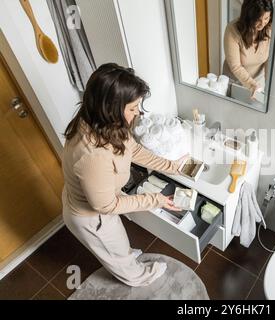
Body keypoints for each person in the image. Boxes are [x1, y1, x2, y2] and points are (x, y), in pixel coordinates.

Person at [62, 63, 187, 287]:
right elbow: (106, 206)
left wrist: (170, 166)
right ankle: (139, 277)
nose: (138, 112)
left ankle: (123, 253)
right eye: (133, 107)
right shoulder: (91, 155)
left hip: (100, 202)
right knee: (116, 254)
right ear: (111, 107)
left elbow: (134, 150)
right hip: (92, 218)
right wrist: (154, 200)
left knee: (118, 242)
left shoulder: (104, 123)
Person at [223, 0, 273, 99]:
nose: (262, 24)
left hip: (258, 83)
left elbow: (269, 61)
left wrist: (269, 85)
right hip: (235, 81)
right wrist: (251, 84)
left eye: (266, 18)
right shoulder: (232, 30)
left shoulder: (269, 29)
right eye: (258, 19)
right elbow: (236, 66)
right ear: (249, 16)